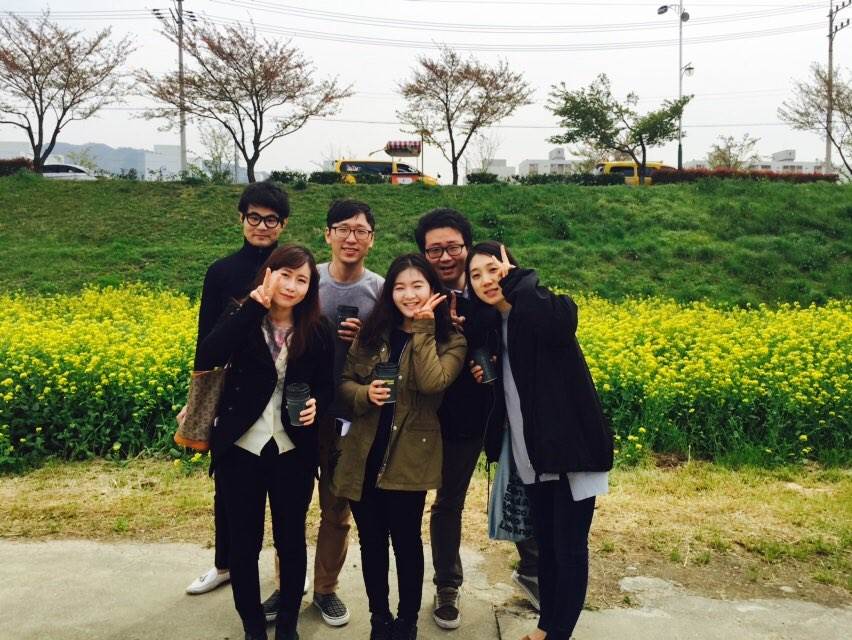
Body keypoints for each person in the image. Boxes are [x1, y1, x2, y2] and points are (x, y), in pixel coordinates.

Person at [466, 242, 614, 640]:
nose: (486, 280)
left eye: (493, 269)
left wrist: (521, 282)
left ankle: (559, 632)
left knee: (569, 547)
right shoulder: (493, 329)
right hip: (531, 456)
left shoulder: (544, 309)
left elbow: (561, 324)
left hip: (571, 453)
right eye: (475, 275)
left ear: (511, 268)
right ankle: (547, 626)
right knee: (546, 546)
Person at [195, 244, 335, 640]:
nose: (291, 286)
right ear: (268, 274)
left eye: (301, 280)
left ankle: (287, 624)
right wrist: (254, 307)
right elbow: (208, 354)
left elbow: (328, 385)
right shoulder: (241, 314)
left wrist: (317, 403)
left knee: (291, 541)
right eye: (284, 275)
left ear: (311, 287)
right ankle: (253, 626)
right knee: (244, 543)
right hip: (240, 449)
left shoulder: (317, 329)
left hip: (294, 450)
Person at [414, 209, 541, 629]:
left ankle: (534, 571)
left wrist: (490, 356)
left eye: (453, 247)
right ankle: (447, 585)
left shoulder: (489, 288)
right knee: (448, 502)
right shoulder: (419, 294)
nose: (445, 256)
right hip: (445, 420)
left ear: (467, 248)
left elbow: (514, 331)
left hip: (499, 414)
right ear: (424, 253)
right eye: (434, 249)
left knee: (519, 489)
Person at [330, 254, 467, 640]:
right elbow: (344, 382)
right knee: (371, 543)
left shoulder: (452, 340)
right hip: (363, 452)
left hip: (409, 455)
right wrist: (364, 393)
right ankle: (380, 618)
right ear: (389, 292)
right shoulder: (372, 334)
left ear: (433, 290)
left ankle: (407, 622)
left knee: (406, 542)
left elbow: (432, 382)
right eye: (400, 287)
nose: (409, 294)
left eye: (417, 286)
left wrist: (424, 326)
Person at [261, 199, 383, 627]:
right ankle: (286, 586)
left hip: (347, 414)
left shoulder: (380, 289)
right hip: (296, 412)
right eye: (343, 228)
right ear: (328, 233)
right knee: (288, 508)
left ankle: (326, 589)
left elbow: (391, 351)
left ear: (371, 239)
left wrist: (366, 337)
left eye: (361, 231)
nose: (351, 238)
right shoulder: (307, 281)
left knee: (337, 510)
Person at [185, 181, 291, 596]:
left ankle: (287, 568)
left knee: (286, 493)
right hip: (234, 391)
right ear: (241, 219)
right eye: (254, 217)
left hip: (282, 390)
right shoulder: (222, 271)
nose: (262, 226)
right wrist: (197, 402)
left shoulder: (292, 267)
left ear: (283, 224)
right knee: (227, 487)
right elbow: (206, 342)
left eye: (271, 219)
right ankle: (224, 564)